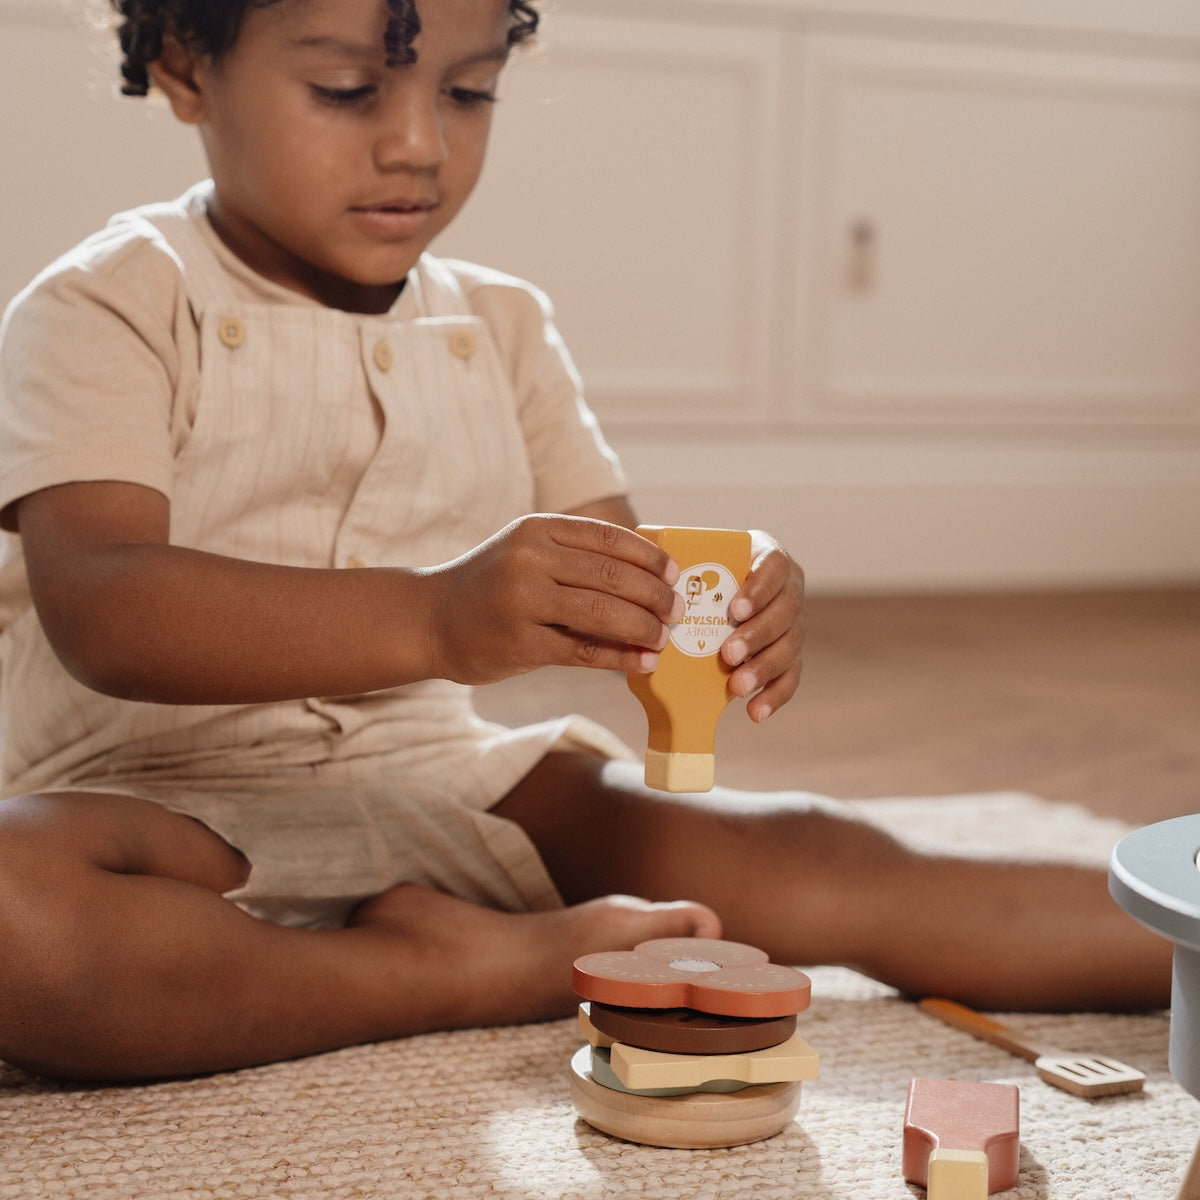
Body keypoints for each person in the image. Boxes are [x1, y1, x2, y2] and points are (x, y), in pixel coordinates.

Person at [0, 0, 1170, 1083]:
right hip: (140, 805)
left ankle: (1181, 927)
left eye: (467, 92)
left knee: (808, 854)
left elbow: (626, 576)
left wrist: (727, 599)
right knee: (18, 912)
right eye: (350, 90)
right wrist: (434, 617)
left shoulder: (502, 324)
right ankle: (461, 970)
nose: (418, 144)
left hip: (440, 783)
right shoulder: (106, 302)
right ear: (184, 67)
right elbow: (106, 605)